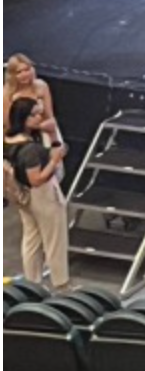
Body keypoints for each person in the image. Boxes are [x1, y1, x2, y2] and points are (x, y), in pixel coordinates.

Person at [5, 95, 70, 290]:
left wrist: (51, 137)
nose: (39, 118)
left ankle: (32, 284)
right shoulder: (30, 149)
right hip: (42, 194)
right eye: (34, 115)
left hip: (19, 193)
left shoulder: (7, 139)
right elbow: (37, 179)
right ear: (24, 118)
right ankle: (62, 284)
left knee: (31, 238)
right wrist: (54, 160)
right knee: (55, 239)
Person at [4, 55, 58, 143]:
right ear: (12, 75)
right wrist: (27, 125)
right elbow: (6, 125)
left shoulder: (41, 86)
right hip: (15, 137)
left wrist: (55, 141)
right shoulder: (6, 94)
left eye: (27, 70)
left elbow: (49, 117)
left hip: (41, 132)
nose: (24, 75)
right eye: (19, 72)